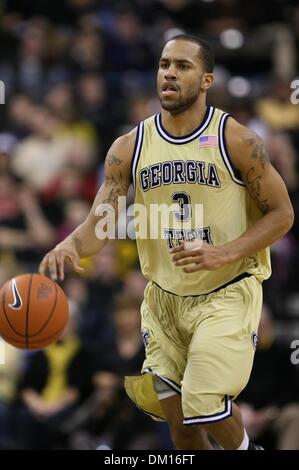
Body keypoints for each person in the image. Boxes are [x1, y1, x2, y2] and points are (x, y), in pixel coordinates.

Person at [39, 34, 294, 450]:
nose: (169, 73)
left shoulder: (237, 141)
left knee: (202, 398)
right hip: (162, 299)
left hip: (225, 291)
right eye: (163, 65)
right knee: (180, 422)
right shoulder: (129, 147)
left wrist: (225, 252)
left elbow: (283, 214)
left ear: (207, 79)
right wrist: (70, 244)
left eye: (182, 66)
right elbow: (100, 224)